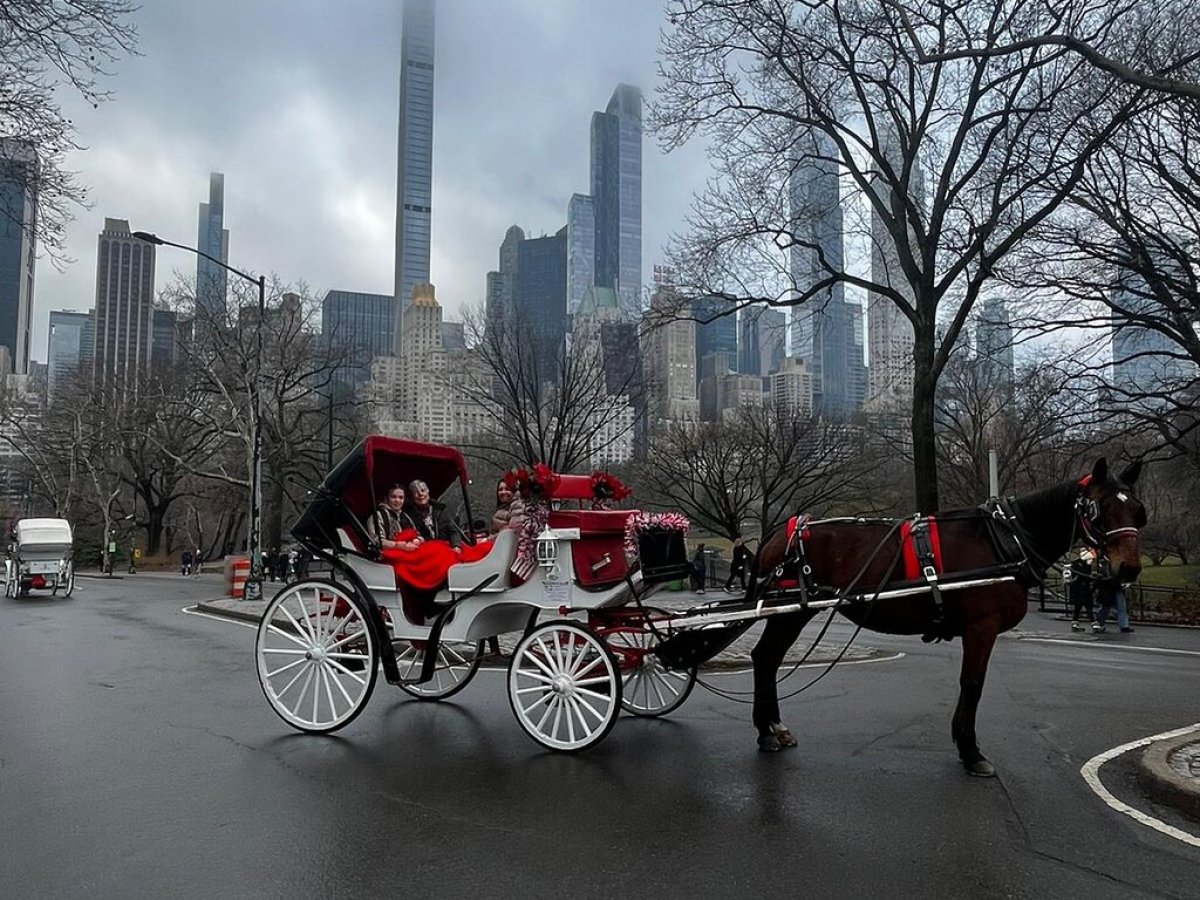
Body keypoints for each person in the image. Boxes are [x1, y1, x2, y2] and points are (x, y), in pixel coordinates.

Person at [406, 479, 460, 548]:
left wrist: (456, 546)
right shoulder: (408, 515)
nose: (420, 494)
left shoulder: (440, 509)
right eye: (416, 492)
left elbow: (453, 531)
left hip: (445, 546)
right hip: (425, 549)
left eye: (423, 490)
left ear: (428, 491)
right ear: (412, 497)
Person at [367, 484, 419, 552]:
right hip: (387, 556)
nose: (397, 500)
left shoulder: (405, 516)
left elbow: (417, 533)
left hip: (409, 551)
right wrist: (398, 546)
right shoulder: (378, 516)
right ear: (386, 498)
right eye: (393, 497)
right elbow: (376, 541)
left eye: (401, 498)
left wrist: (417, 540)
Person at [1094, 557, 1134, 633]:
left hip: (1112, 589)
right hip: (1110, 589)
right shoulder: (1106, 566)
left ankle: (1124, 626)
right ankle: (1123, 626)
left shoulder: (1106, 566)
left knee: (1119, 607)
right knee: (1109, 607)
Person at [1067, 549, 1095, 632]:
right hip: (1079, 588)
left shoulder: (1082, 564)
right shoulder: (1077, 564)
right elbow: (1081, 575)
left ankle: (1075, 623)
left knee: (1079, 607)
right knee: (1085, 607)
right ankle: (1094, 624)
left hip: (1083, 588)